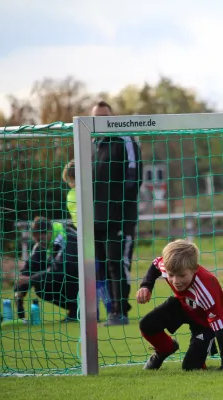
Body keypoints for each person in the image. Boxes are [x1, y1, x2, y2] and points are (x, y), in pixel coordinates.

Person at [136, 239, 223, 371]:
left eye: (182, 275)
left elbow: (220, 328)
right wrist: (146, 286)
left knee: (190, 367)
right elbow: (155, 264)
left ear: (194, 269)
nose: (176, 281)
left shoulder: (206, 290)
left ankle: (200, 356)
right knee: (146, 325)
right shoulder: (168, 265)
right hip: (182, 306)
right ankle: (165, 349)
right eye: (171, 275)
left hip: (205, 322)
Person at [91, 101, 143, 326]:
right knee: (100, 265)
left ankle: (120, 311)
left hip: (119, 217)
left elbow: (134, 177)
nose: (101, 121)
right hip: (95, 219)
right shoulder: (93, 143)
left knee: (117, 263)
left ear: (113, 117)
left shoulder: (125, 139)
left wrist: (118, 207)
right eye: (96, 117)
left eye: (105, 117)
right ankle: (108, 309)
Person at [62, 159, 112, 319]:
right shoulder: (86, 192)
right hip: (94, 237)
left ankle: (96, 313)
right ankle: (109, 309)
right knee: (99, 276)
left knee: (92, 276)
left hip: (84, 239)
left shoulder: (72, 194)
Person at [14, 217, 79, 322]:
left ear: (49, 232)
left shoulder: (67, 238)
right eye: (37, 240)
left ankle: (78, 310)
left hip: (85, 278)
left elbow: (60, 270)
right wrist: (20, 291)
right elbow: (30, 267)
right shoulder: (42, 243)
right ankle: (74, 310)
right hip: (66, 276)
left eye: (40, 239)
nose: (39, 243)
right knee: (41, 287)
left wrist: (30, 279)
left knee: (66, 272)